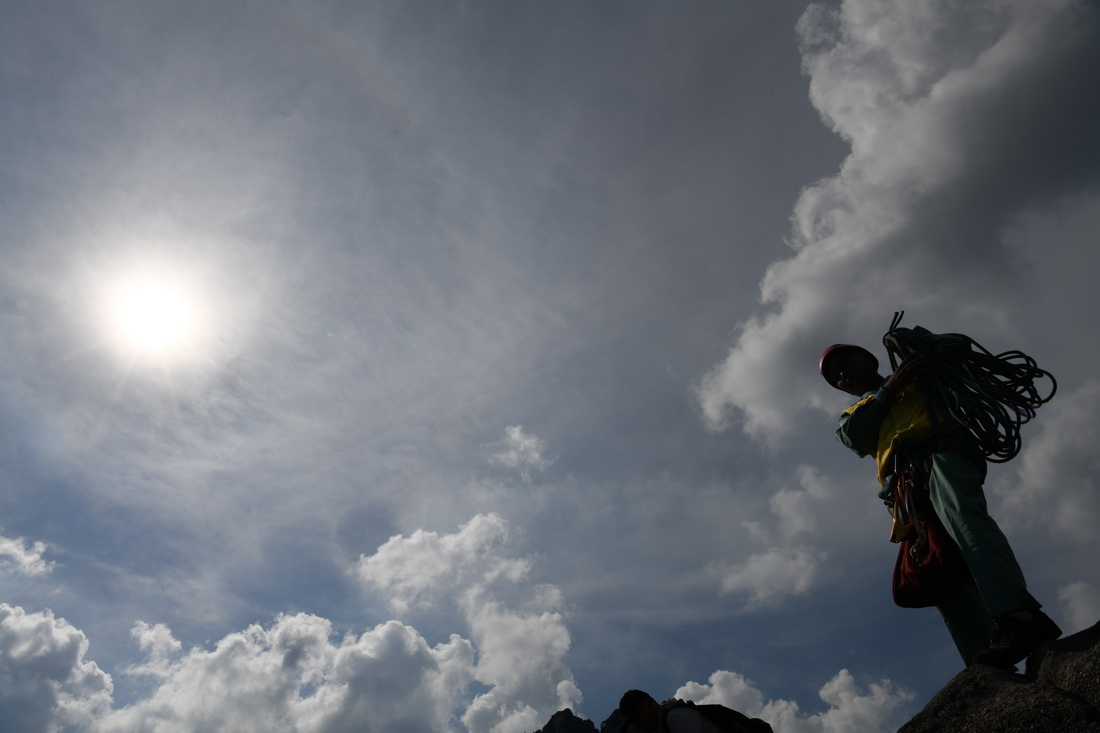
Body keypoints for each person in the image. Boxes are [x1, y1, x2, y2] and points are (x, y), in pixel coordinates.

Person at [819, 339, 1062, 667]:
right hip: (904, 491)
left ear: (868, 359)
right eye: (836, 377)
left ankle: (1019, 615)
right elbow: (856, 436)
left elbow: (958, 348)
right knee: (936, 565)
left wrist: (914, 337)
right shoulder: (852, 414)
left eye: (846, 364)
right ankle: (983, 662)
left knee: (964, 520)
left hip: (941, 453)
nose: (843, 375)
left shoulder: (921, 373)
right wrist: (892, 387)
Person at [617, 690, 772, 733]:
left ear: (649, 704)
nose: (638, 726)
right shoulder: (669, 720)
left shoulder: (675, 718)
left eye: (637, 719)